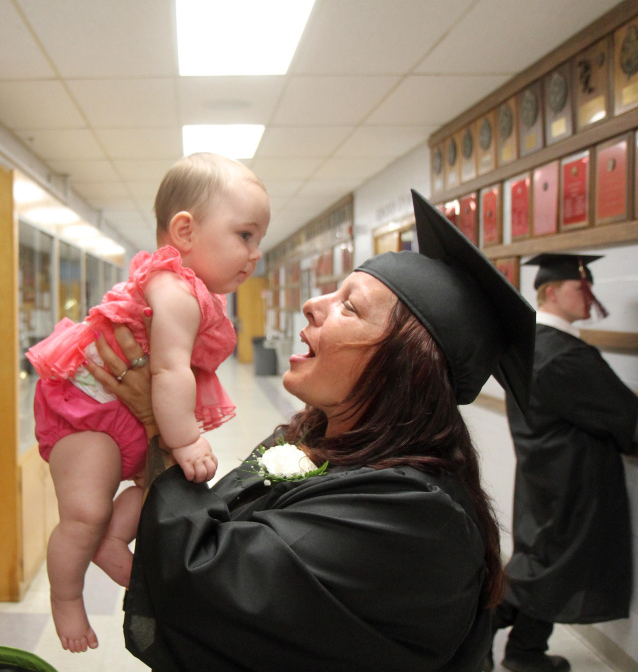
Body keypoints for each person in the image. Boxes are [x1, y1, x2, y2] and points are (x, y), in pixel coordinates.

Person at [82, 190, 536, 671]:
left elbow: (210, 580)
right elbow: (220, 517)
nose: (313, 304)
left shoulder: (414, 516)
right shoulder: (315, 436)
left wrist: (159, 422)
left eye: (350, 308)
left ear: (406, 366)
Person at [26, 152, 270, 652]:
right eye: (245, 235)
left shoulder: (194, 291)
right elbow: (167, 369)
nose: (255, 253)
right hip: (87, 412)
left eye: (259, 240)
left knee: (155, 489)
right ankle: (66, 597)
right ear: (184, 231)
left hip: (127, 415)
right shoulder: (174, 288)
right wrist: (184, 437)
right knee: (84, 512)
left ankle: (113, 543)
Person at [488, 254, 638, 672]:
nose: (589, 297)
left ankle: (524, 651)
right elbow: (625, 416)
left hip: (544, 474)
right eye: (580, 288)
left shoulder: (531, 344)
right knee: (545, 571)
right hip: (573, 482)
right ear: (550, 292)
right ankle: (476, 632)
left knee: (544, 566)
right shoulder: (565, 355)